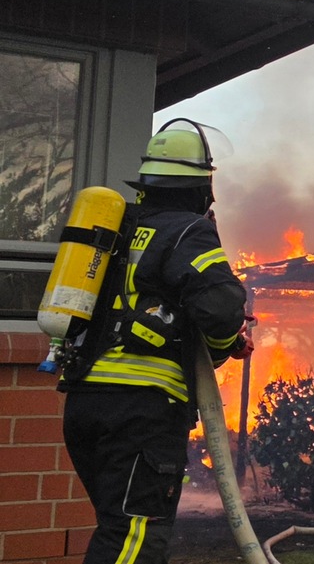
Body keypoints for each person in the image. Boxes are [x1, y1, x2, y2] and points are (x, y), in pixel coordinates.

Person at [59, 118, 253, 564]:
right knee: (135, 537)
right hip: (142, 409)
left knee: (119, 531)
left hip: (85, 403)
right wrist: (228, 343)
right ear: (200, 187)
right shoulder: (186, 230)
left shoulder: (116, 228)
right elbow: (222, 309)